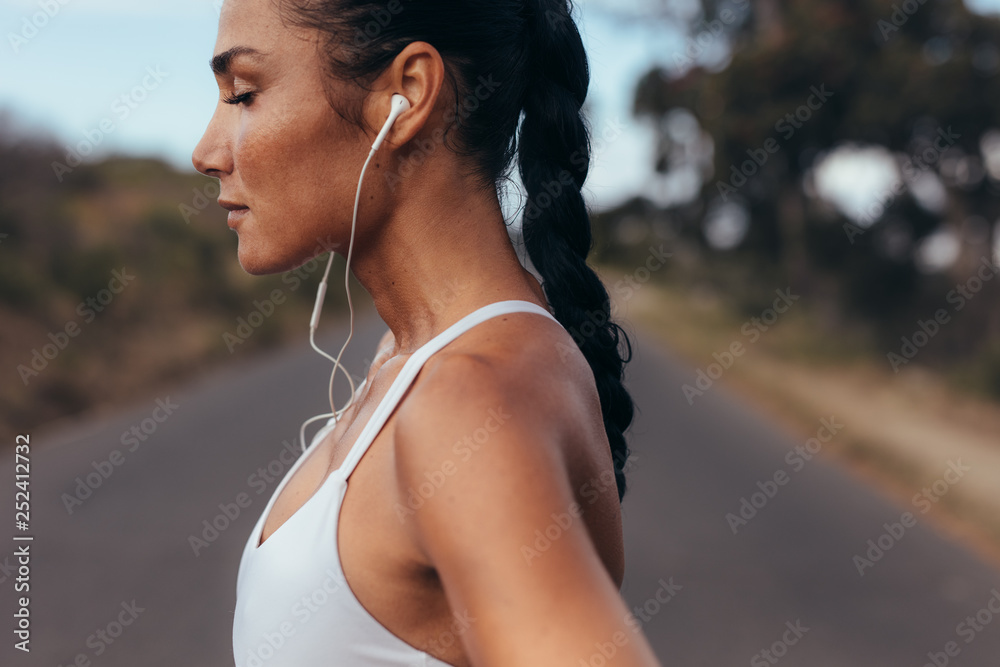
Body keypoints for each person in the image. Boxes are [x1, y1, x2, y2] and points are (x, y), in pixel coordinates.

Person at [192, 0, 660, 665]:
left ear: (406, 93)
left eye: (243, 94)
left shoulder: (465, 402)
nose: (206, 152)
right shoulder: (417, 359)